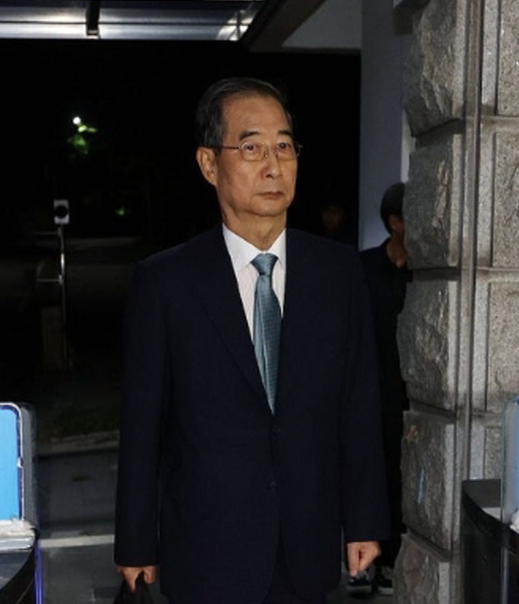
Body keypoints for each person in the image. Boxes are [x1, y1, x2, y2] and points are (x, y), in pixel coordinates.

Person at [114, 77, 389, 604]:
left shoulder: (337, 274)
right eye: (251, 147)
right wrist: (135, 541)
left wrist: (365, 520)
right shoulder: (167, 282)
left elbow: (359, 404)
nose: (273, 165)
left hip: (307, 543)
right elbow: (143, 423)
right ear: (208, 164)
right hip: (206, 548)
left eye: (284, 146)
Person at [355, 182, 410, 597]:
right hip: (368, 393)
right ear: (396, 223)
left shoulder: (426, 273)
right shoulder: (362, 268)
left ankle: (391, 561)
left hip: (411, 397)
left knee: (403, 477)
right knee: (366, 474)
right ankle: (362, 560)